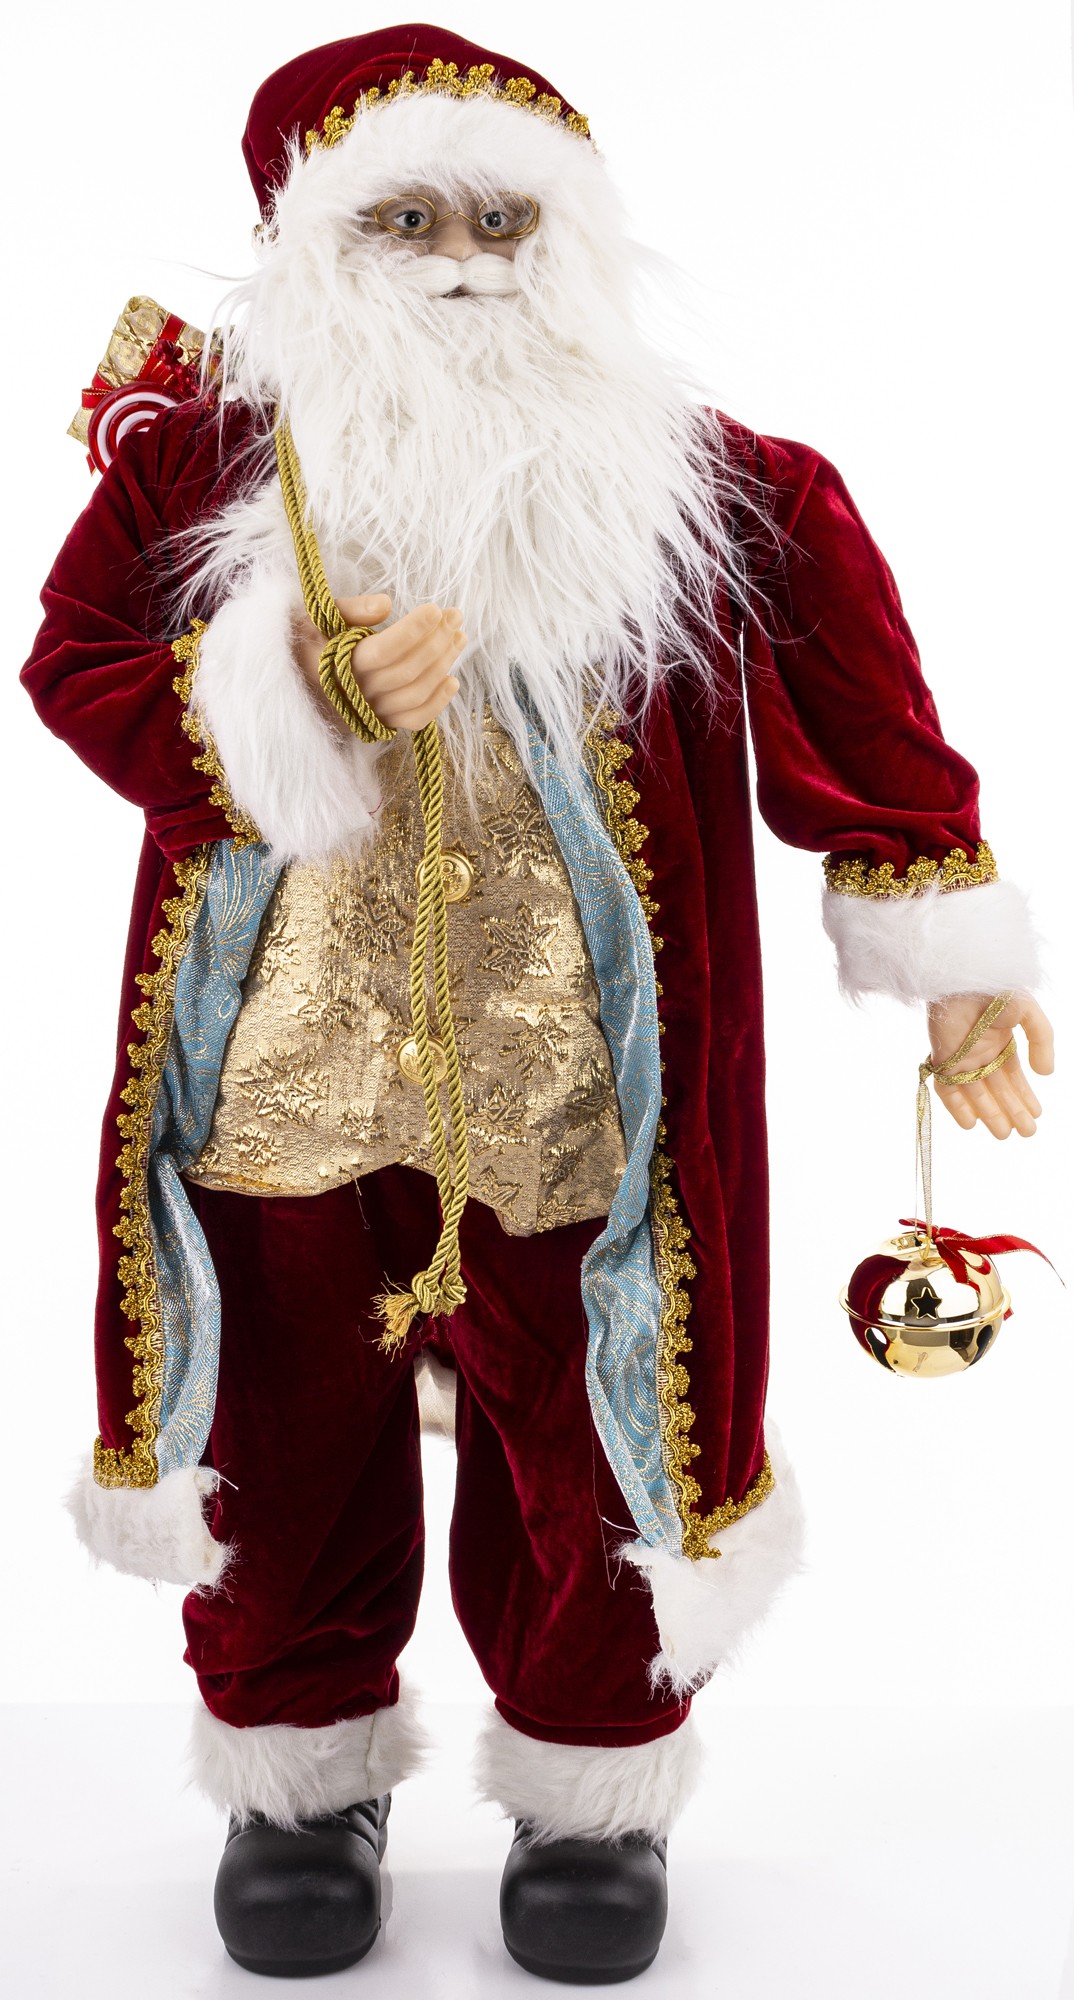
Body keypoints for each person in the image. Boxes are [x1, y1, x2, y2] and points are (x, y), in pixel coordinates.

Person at [21, 22, 1053, 1985]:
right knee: (276, 1427)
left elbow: (863, 720)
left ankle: (592, 1787)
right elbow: (79, 667)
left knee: (591, 1432)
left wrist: (952, 960)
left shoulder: (722, 487)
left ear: (572, 238)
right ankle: (301, 1779)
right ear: (311, 244)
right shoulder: (199, 466)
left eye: (503, 221)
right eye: (403, 221)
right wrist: (292, 694)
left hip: (581, 1089)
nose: (462, 261)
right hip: (277, 1077)